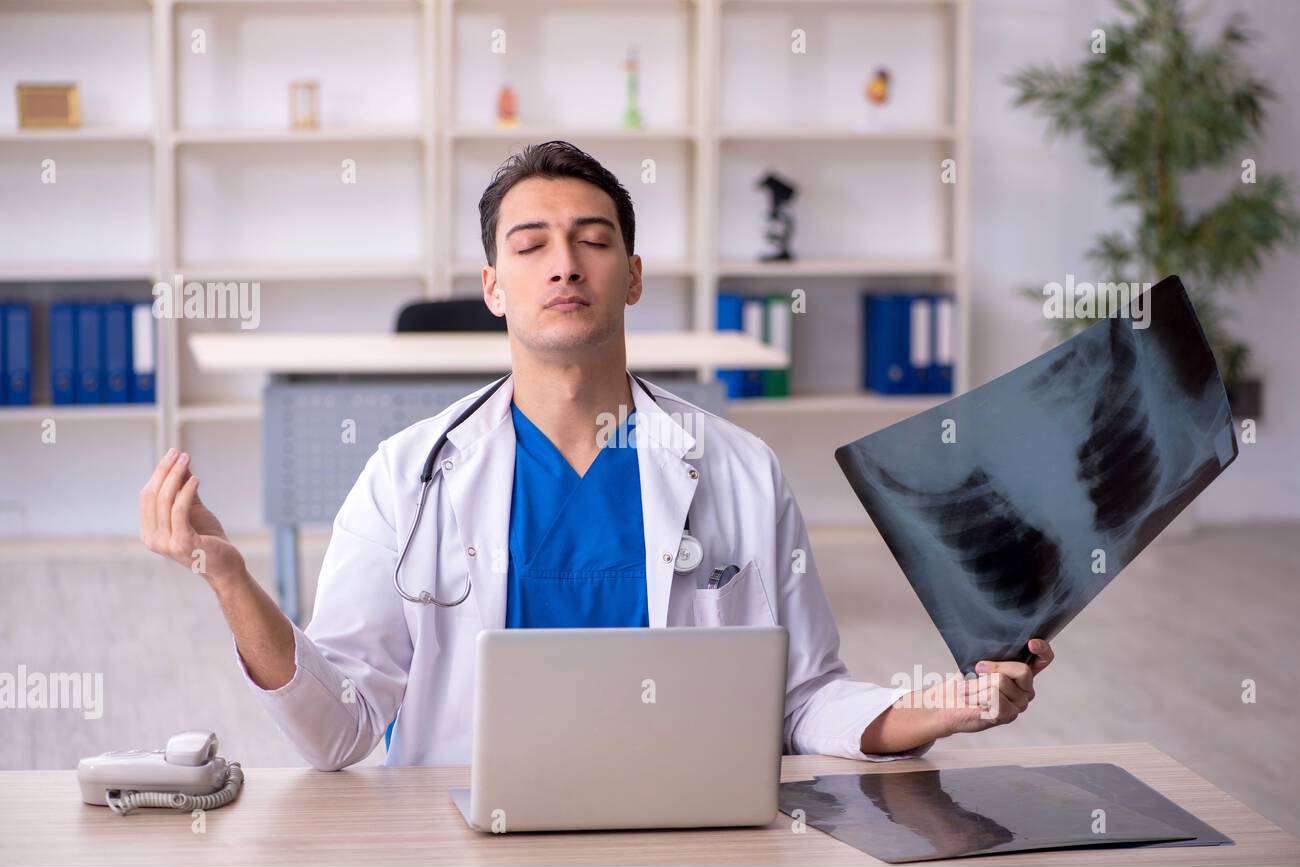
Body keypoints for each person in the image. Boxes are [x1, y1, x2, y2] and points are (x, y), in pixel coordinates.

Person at [138, 140, 1053, 771]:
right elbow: (336, 732)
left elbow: (803, 701)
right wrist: (228, 576)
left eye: (593, 240)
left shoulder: (737, 470)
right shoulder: (406, 477)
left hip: (687, 835)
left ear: (635, 274)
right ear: (495, 287)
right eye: (530, 246)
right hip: (463, 837)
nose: (564, 265)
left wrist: (950, 704)